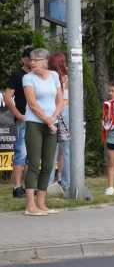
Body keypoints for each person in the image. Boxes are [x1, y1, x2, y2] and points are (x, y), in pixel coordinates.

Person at [22, 48, 64, 216]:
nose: (32, 63)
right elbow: (32, 104)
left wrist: (54, 117)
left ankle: (41, 203)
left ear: (45, 62)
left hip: (51, 123)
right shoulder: (28, 78)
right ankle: (30, 206)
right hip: (35, 124)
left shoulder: (54, 76)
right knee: (33, 163)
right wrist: (48, 121)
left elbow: (60, 100)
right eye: (31, 60)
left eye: (36, 60)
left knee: (48, 165)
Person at [4, 46, 33, 198]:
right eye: (29, 57)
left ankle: (30, 186)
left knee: (33, 155)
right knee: (21, 153)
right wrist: (18, 115)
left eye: (34, 58)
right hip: (23, 120)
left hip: (37, 120)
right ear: (23, 59)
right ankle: (17, 187)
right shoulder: (17, 75)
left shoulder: (38, 75)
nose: (32, 60)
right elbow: (7, 98)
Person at [48, 52, 71, 195]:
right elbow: (67, 99)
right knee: (67, 150)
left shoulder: (49, 76)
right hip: (66, 112)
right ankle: (66, 182)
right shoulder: (67, 76)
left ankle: (49, 183)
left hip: (51, 111)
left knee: (51, 150)